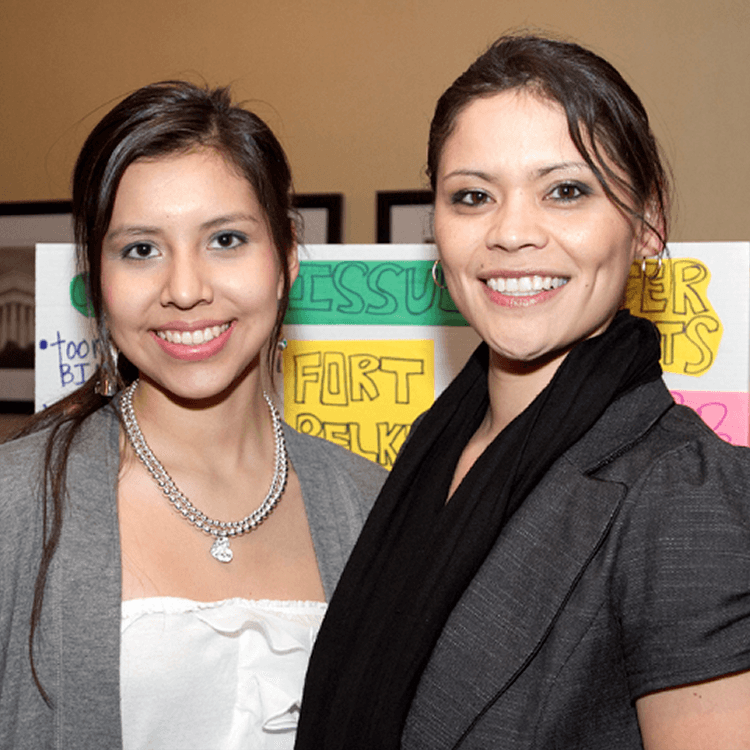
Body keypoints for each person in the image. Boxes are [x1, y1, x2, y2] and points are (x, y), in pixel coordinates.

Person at [295, 35, 750, 750]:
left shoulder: (682, 492)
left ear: (648, 224)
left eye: (565, 191)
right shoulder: (433, 447)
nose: (510, 233)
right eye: (472, 196)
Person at [0, 81, 386, 750]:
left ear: (286, 256)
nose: (185, 290)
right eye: (140, 250)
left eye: (226, 239)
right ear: (95, 279)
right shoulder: (17, 503)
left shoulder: (369, 502)